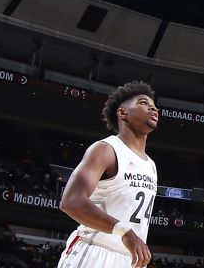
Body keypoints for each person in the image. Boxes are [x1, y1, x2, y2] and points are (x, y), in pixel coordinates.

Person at [57, 81, 160, 268]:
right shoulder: (106, 149)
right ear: (122, 113)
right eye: (144, 103)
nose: (153, 108)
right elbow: (71, 201)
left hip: (130, 258)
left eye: (154, 106)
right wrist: (125, 232)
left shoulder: (151, 165)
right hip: (95, 251)